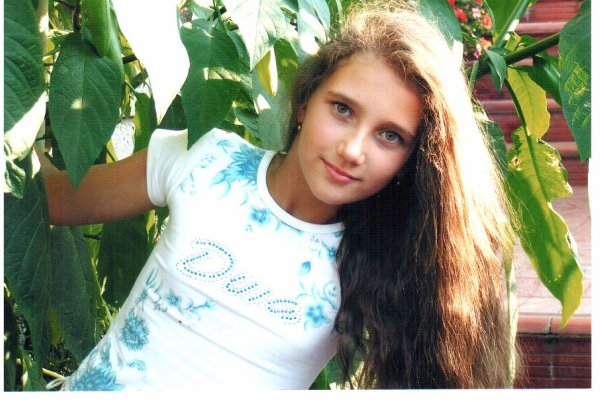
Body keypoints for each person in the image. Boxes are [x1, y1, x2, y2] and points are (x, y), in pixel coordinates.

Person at [42, 1, 516, 390]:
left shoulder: (390, 259)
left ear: (413, 158)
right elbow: (54, 199)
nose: (353, 150)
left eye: (389, 136)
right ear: (306, 101)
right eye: (343, 109)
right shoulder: (205, 158)